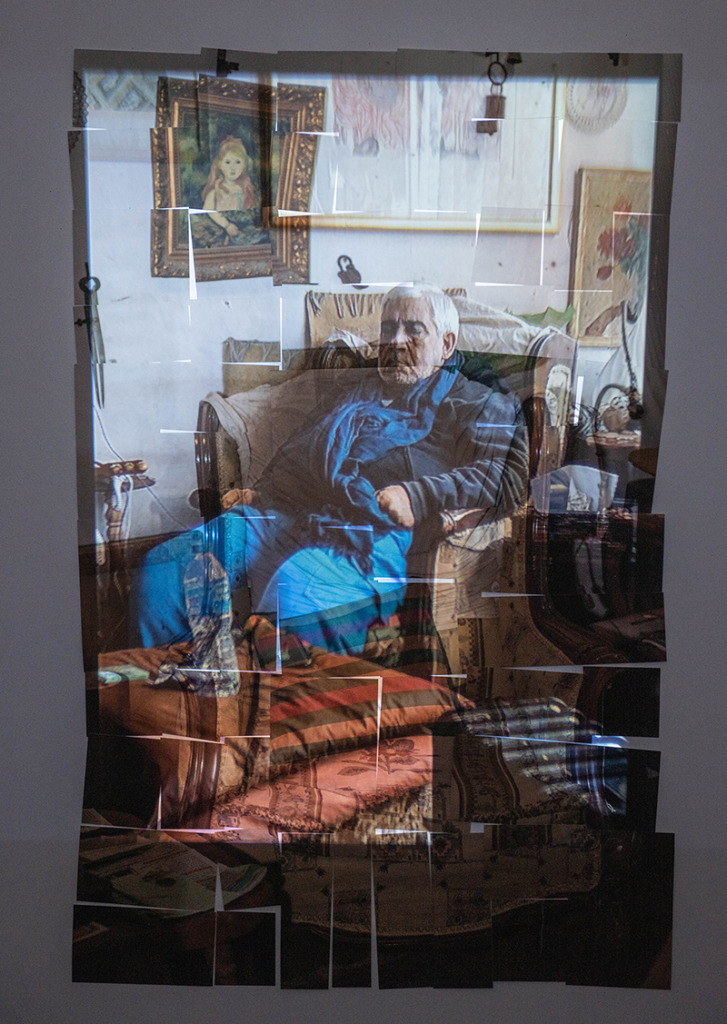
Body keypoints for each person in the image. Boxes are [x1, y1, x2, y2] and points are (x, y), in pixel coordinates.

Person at [132, 284, 529, 659]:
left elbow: (502, 478)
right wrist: (263, 492)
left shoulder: (479, 401)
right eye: (389, 328)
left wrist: (418, 495)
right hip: (288, 514)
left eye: (413, 330)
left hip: (369, 537)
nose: (394, 341)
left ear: (446, 345)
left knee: (294, 596)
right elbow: (304, 447)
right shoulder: (355, 386)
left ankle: (264, 719)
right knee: (165, 570)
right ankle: (184, 688)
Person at [201, 136, 258, 242]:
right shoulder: (216, 191)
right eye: (227, 162)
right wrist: (226, 225)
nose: (233, 167)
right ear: (220, 165)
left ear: (244, 165)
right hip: (222, 233)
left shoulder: (245, 189)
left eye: (237, 162)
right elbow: (207, 211)